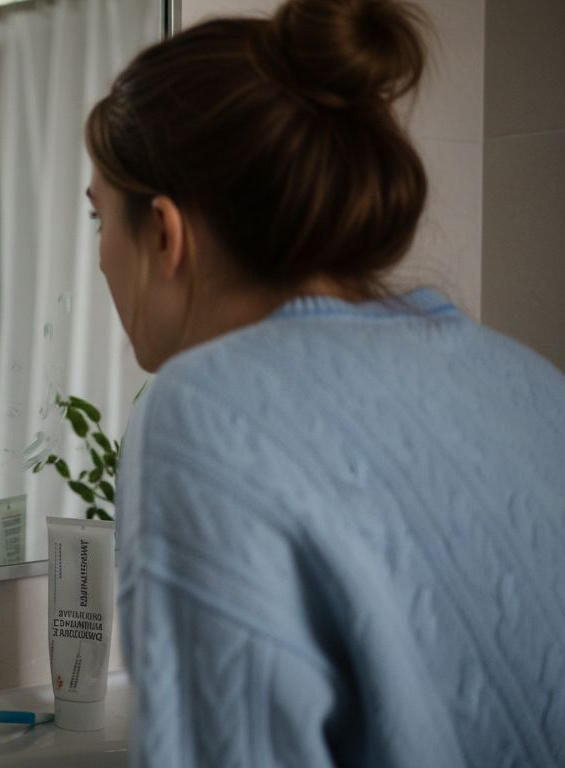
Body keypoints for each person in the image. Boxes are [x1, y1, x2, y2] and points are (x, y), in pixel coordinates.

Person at [84, 0, 565, 765]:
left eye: (98, 219)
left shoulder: (205, 407)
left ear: (166, 234)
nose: (101, 254)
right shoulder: (529, 379)